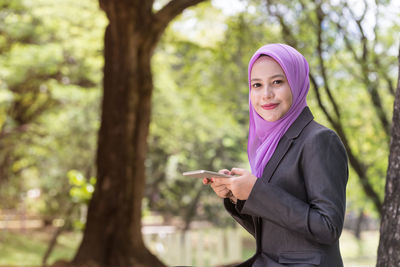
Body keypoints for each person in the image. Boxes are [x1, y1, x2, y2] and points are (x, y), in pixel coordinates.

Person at [203, 43, 348, 267]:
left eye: (277, 82)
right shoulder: (272, 146)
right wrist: (237, 195)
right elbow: (278, 232)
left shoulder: (320, 140)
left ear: (297, 82)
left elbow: (328, 227)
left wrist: (257, 191)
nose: (266, 95)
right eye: (257, 85)